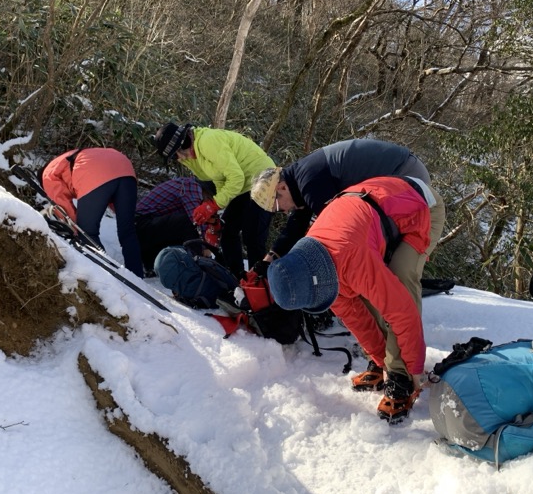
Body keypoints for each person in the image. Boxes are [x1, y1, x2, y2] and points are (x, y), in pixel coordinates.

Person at [266, 176, 445, 424]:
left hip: (419, 205)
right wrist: (382, 361)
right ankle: (391, 366)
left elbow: (402, 312)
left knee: (400, 279)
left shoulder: (350, 258)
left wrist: (412, 369)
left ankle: (400, 373)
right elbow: (355, 317)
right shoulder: (312, 268)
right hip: (374, 211)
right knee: (368, 292)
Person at [250, 138, 431, 262]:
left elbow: (335, 232)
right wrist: (271, 258)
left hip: (406, 175)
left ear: (281, 187)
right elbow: (296, 225)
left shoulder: (310, 182)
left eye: (276, 206)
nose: (282, 211)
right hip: (404, 170)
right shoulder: (301, 178)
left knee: (376, 248)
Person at [152, 121, 275, 276]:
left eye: (176, 153)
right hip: (244, 185)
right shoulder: (190, 158)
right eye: (173, 157)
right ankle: (237, 278)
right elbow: (220, 179)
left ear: (183, 142)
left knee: (253, 235)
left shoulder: (208, 142)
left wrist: (214, 205)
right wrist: (213, 214)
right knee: (227, 232)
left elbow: (235, 177)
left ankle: (260, 285)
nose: (178, 159)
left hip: (264, 177)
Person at [39, 147, 143, 278]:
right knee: (127, 231)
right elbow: (111, 189)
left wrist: (74, 229)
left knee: (87, 233)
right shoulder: (65, 159)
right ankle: (137, 277)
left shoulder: (47, 174)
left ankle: (110, 278)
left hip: (94, 171)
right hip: (124, 167)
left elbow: (63, 207)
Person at [134, 177, 219, 275]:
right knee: (188, 223)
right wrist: (206, 248)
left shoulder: (188, 184)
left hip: (146, 228)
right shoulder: (192, 188)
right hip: (140, 226)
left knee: (184, 228)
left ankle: (152, 263)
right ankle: (199, 266)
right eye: (209, 198)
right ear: (206, 191)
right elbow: (197, 220)